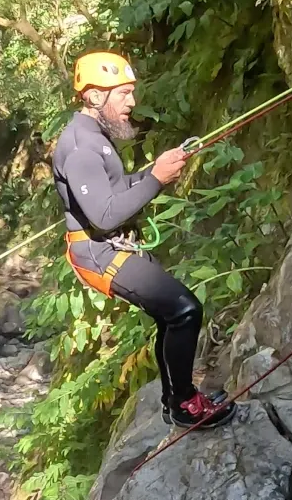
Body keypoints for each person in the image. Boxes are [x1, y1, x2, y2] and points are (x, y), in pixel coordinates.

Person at [52, 51, 233, 429]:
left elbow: (115, 189)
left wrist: (155, 169)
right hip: (99, 251)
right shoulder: (82, 147)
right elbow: (104, 215)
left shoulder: (94, 136)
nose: (132, 102)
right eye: (124, 94)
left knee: (170, 314)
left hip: (110, 245)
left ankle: (177, 400)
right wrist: (156, 180)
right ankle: (184, 405)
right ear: (95, 97)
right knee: (184, 310)